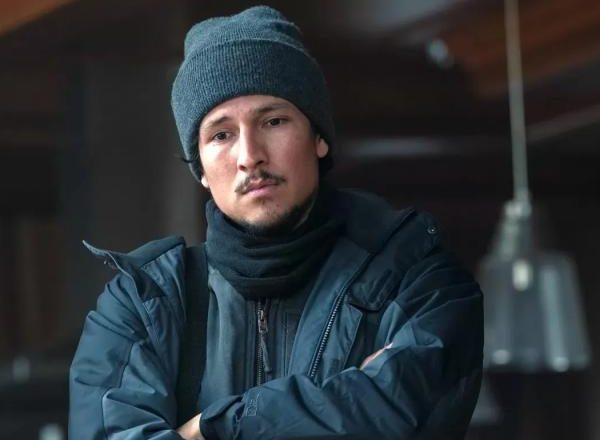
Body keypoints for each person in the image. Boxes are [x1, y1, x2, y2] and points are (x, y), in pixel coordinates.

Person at [69, 5, 483, 440]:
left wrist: (214, 427)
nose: (250, 156)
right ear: (201, 169)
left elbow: (402, 413)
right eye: (221, 134)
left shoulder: (413, 277)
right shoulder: (143, 303)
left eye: (273, 121)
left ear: (319, 138)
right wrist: (340, 403)